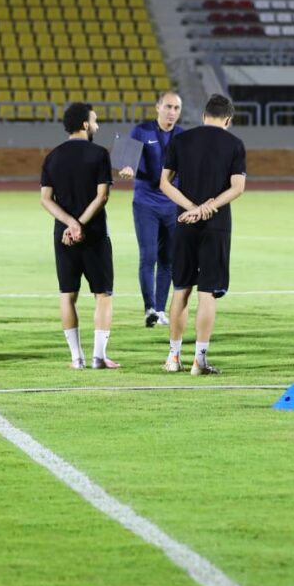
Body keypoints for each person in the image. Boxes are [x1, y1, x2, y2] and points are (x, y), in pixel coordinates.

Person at [158, 93, 246, 375]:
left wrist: (192, 208)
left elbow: (164, 184)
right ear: (228, 120)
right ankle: (200, 360)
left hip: (184, 222)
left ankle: (173, 357)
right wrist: (208, 207)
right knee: (207, 293)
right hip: (216, 225)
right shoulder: (234, 144)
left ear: (203, 116)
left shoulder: (181, 140)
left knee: (181, 289)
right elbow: (237, 188)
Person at [40, 103, 118, 369]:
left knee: (67, 295)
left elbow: (45, 199)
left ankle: (76, 358)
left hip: (63, 236)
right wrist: (81, 224)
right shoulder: (99, 154)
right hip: (94, 233)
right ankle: (98, 357)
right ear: (85, 124)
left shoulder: (52, 156)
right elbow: (102, 196)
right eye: (95, 121)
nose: (97, 126)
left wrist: (69, 224)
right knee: (103, 295)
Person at [118, 91, 183, 327]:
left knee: (168, 259)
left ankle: (161, 310)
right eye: (168, 107)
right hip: (146, 203)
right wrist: (126, 169)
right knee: (149, 256)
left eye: (176, 108)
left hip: (172, 205)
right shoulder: (141, 131)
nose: (171, 112)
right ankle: (149, 309)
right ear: (157, 107)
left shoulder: (182, 136)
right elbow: (127, 160)